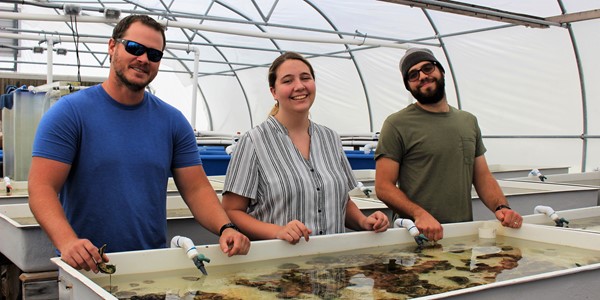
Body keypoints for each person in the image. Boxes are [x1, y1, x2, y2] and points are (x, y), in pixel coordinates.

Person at [28, 14, 250, 273]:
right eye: (134, 48)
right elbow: (41, 187)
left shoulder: (172, 121)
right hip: (88, 267)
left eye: (154, 54)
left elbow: (197, 189)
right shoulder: (70, 113)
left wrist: (226, 228)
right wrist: (68, 241)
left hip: (149, 266)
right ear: (112, 47)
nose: (144, 59)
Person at [221, 52, 389, 244]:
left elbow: (341, 202)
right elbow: (231, 211)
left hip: (334, 265)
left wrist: (363, 221)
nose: (299, 86)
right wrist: (277, 231)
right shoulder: (253, 142)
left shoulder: (331, 139)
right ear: (274, 92)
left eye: (305, 78)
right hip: (280, 267)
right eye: (287, 81)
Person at [375, 48, 522, 242]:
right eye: (413, 75)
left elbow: (482, 177)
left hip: (461, 236)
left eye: (427, 68)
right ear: (408, 86)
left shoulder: (468, 121)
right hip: (416, 237)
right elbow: (383, 186)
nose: (422, 76)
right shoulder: (397, 124)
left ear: (441, 71)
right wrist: (419, 214)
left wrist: (502, 208)